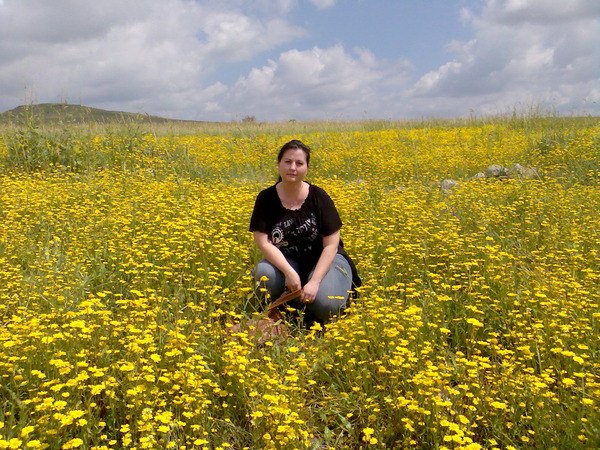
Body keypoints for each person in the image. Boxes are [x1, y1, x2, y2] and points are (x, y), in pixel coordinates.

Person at [249, 139, 361, 326]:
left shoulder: (319, 197)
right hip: (288, 261)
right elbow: (263, 242)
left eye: (299, 163)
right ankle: (283, 310)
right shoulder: (266, 198)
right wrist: (289, 272)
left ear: (307, 167)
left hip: (324, 260)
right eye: (287, 161)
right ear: (279, 164)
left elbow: (331, 245)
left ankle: (313, 312)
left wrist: (315, 282)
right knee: (264, 273)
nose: (292, 167)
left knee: (326, 304)